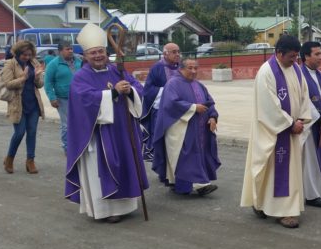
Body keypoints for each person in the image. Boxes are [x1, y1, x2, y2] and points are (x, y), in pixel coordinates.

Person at [64, 24, 149, 223]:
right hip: (98, 134)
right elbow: (83, 101)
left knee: (126, 164)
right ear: (85, 55)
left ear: (106, 52)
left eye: (100, 52)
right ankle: (106, 210)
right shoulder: (80, 77)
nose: (98, 56)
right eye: (93, 53)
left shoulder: (116, 70)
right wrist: (112, 93)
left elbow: (136, 86)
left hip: (122, 130)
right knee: (101, 170)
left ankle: (126, 206)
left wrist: (129, 90)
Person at [240, 35, 313, 229]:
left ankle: (278, 207)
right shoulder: (267, 72)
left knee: (289, 173)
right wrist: (289, 124)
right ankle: (274, 209)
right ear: (278, 53)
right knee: (270, 169)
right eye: (291, 56)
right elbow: (268, 106)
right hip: (272, 131)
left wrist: (301, 120)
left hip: (292, 131)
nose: (294, 60)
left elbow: (304, 96)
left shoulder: (296, 69)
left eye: (297, 56)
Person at [152, 58, 220, 196]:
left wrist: (213, 116)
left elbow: (210, 103)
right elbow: (171, 104)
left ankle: (188, 184)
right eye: (190, 68)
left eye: (196, 68)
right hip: (181, 128)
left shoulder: (199, 85)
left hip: (200, 128)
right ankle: (200, 185)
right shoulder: (172, 84)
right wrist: (193, 107)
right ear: (181, 69)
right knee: (186, 156)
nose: (194, 71)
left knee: (198, 154)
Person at [1, 40, 45, 174]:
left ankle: (30, 161)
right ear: (18, 53)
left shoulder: (34, 63)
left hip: (33, 104)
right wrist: (23, 77)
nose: (27, 57)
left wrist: (37, 77)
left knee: (32, 132)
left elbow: (40, 85)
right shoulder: (10, 64)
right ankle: (9, 158)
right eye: (24, 55)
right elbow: (8, 83)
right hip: (18, 105)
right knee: (19, 133)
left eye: (29, 54)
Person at [299, 41, 321, 208]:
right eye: (317, 54)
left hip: (320, 122)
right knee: (310, 161)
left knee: (317, 158)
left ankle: (315, 192)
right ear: (306, 56)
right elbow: (303, 100)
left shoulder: (320, 75)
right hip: (308, 125)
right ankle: (311, 195)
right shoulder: (299, 75)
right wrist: (319, 117)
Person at [141, 43, 182, 161]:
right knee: (162, 139)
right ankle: (161, 167)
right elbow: (148, 89)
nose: (177, 54)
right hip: (161, 109)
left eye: (178, 51)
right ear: (165, 54)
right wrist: (167, 92)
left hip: (179, 110)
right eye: (174, 52)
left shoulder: (182, 67)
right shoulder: (157, 68)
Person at [44, 40, 82, 154]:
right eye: (67, 49)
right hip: (63, 99)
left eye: (71, 49)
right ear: (60, 51)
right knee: (66, 124)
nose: (70, 51)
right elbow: (48, 83)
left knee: (80, 123)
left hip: (80, 98)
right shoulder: (53, 64)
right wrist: (52, 98)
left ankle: (79, 145)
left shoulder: (79, 61)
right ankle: (67, 147)